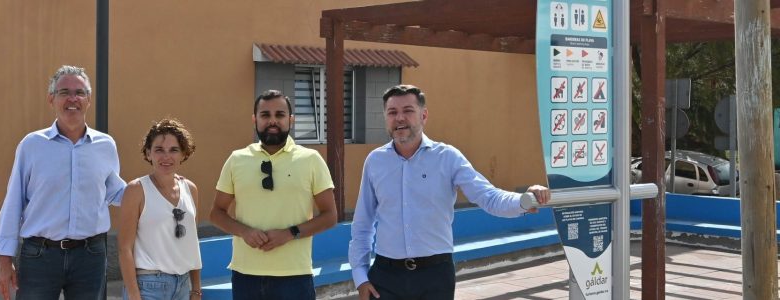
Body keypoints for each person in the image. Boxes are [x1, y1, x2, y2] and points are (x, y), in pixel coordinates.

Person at [349, 84, 551, 300]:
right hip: (386, 278)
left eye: (408, 111)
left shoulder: (447, 158)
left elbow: (488, 197)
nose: (399, 118)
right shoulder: (375, 162)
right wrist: (360, 277)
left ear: (423, 115)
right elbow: (363, 224)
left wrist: (524, 200)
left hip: (434, 276)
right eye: (392, 112)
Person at [0, 65, 127, 300]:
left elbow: (115, 191)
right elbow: (13, 202)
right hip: (40, 256)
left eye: (80, 92)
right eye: (64, 92)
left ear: (88, 100)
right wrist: (4, 261)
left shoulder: (106, 145)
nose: (72, 98)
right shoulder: (32, 145)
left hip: (90, 256)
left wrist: (157, 187)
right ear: (51, 99)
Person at [209, 90, 338, 300]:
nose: (272, 121)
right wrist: (244, 232)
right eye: (265, 115)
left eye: (279, 115)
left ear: (291, 120)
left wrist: (290, 233)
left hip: (294, 277)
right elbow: (216, 213)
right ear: (255, 120)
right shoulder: (236, 159)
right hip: (245, 275)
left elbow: (330, 215)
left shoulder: (311, 160)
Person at [118, 118, 203, 300]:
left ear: (183, 154)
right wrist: (134, 295)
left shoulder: (191, 189)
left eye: (174, 150)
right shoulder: (136, 190)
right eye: (159, 150)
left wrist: (196, 289)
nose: (166, 157)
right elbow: (124, 248)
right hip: (148, 287)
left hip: (182, 285)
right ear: (148, 153)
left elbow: (192, 244)